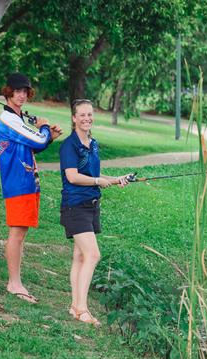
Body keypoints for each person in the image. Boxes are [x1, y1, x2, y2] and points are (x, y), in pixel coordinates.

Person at [59, 99, 131, 325]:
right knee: (93, 255)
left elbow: (93, 174)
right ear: (74, 118)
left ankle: (74, 307)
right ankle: (82, 309)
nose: (87, 118)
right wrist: (98, 181)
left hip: (91, 205)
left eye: (90, 114)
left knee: (80, 256)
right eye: (82, 115)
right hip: (75, 206)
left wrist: (115, 179)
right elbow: (72, 176)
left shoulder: (93, 143)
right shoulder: (69, 145)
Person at [0, 72, 63, 303]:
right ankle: (14, 284)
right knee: (16, 233)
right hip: (17, 183)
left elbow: (32, 148)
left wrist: (49, 137)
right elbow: (37, 140)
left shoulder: (18, 119)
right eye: (17, 91)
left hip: (27, 182)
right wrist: (44, 128)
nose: (22, 95)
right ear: (8, 92)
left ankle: (17, 281)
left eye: (25, 91)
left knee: (21, 232)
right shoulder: (9, 120)